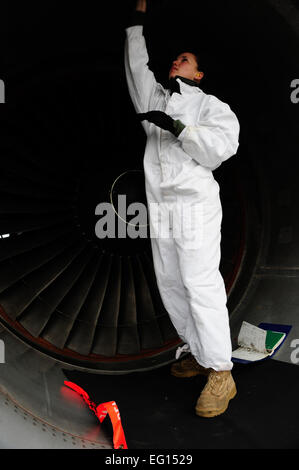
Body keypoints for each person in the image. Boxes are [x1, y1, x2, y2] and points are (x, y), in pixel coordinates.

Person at [125, 0, 240, 418]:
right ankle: (197, 352)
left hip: (194, 205)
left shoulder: (209, 106)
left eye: (185, 59)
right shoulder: (156, 96)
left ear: (199, 74)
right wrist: (135, 24)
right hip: (162, 207)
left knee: (199, 281)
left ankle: (222, 372)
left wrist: (177, 127)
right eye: (175, 57)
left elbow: (220, 149)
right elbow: (136, 68)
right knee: (171, 282)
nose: (177, 61)